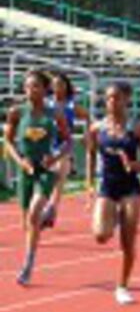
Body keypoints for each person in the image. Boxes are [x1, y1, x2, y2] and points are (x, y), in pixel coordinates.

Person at [86, 82, 140, 305]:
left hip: (130, 188)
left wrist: (133, 165)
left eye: (116, 98)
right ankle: (113, 218)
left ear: (127, 99)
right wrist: (89, 183)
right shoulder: (96, 128)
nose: (111, 102)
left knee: (128, 242)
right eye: (108, 98)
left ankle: (122, 286)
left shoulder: (137, 129)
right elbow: (89, 153)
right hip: (107, 186)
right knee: (100, 236)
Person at [4, 69, 70, 285]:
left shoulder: (55, 113)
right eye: (28, 86)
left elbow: (68, 141)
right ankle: (32, 250)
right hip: (26, 171)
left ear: (45, 89)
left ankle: (28, 265)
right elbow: (8, 141)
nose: (31, 90)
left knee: (34, 213)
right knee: (27, 223)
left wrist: (54, 158)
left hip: (45, 170)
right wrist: (20, 161)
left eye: (36, 86)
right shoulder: (16, 112)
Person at [41, 72, 90, 228]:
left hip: (64, 146)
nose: (57, 88)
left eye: (61, 84)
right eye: (55, 84)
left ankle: (51, 209)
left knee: (59, 178)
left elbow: (88, 117)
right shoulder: (45, 103)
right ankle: (46, 207)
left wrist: (86, 134)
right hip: (46, 146)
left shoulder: (71, 105)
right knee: (47, 180)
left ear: (66, 87)